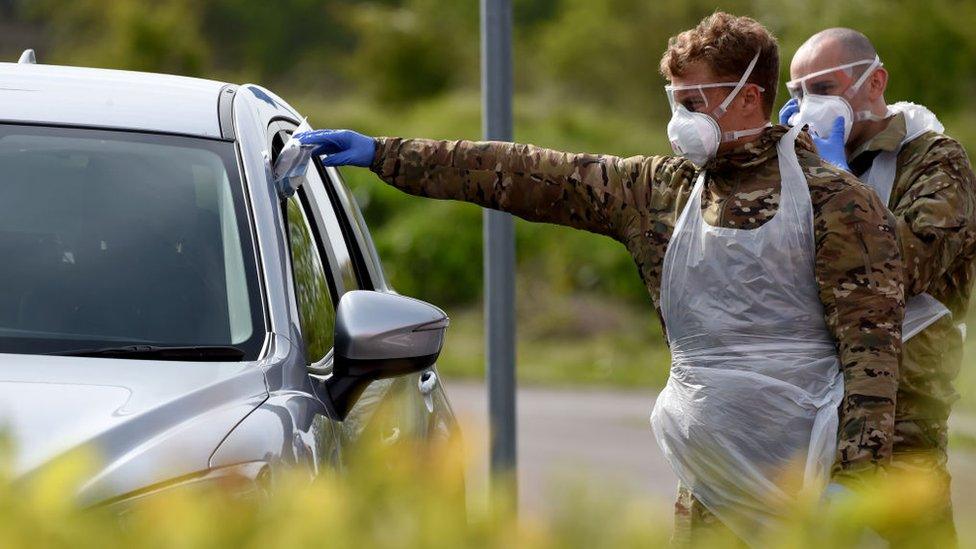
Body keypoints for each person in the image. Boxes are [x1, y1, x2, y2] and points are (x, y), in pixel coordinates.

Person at [297, 13, 904, 544]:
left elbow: (872, 349)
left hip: (807, 475)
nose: (680, 119)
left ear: (750, 97)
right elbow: (527, 172)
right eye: (674, 100)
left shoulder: (837, 202)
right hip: (709, 482)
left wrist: (856, 478)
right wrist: (385, 153)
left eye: (693, 102)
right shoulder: (658, 191)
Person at [781, 27, 976, 542]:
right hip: (810, 409)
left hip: (903, 421)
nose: (809, 105)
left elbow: (905, 266)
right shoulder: (799, 163)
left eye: (823, 88)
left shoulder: (934, 162)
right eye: (797, 93)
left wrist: (839, 185)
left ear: (875, 82)